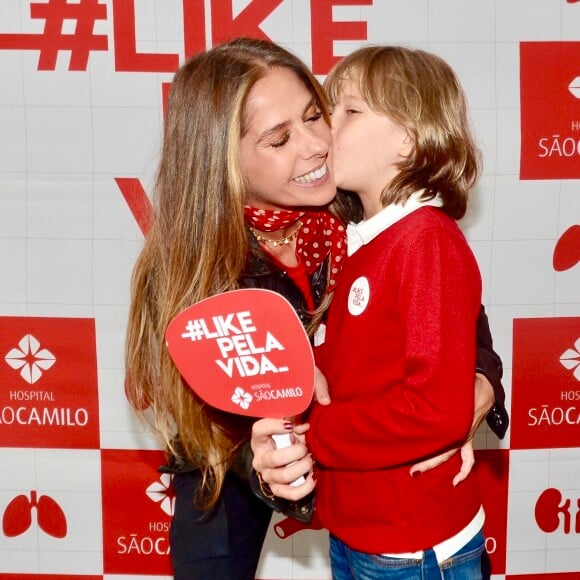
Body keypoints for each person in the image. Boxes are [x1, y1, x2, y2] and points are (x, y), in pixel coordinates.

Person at [125, 38, 507, 580]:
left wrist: (476, 381)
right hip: (233, 478)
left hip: (388, 515)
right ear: (220, 160)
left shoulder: (366, 200)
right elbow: (202, 424)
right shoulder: (191, 265)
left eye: (315, 115)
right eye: (279, 139)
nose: (315, 145)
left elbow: (459, 319)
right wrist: (269, 459)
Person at [254, 45, 505, 579]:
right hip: (366, 532)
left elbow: (432, 410)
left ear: (409, 139)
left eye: (349, 112)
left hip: (411, 548)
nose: (325, 132)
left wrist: (313, 431)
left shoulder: (424, 242)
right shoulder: (370, 242)